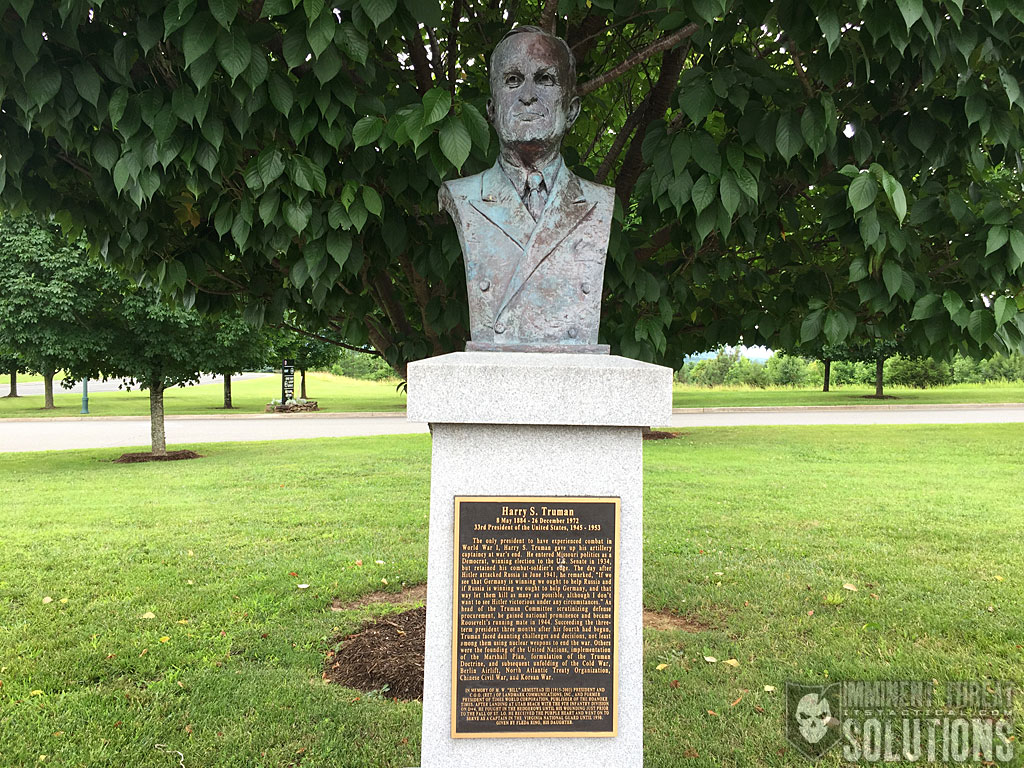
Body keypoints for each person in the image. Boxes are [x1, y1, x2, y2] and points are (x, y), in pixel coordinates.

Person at [439, 25, 614, 352]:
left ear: (571, 111)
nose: (528, 94)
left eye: (545, 79)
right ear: (492, 111)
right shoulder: (462, 197)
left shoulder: (599, 203)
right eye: (513, 80)